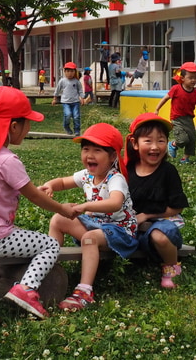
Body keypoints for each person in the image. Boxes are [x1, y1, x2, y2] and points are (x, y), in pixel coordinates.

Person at [0, 86, 79, 319]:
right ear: (14, 126)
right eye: (28, 123)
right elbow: (32, 195)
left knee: (17, 236)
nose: (29, 128)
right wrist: (63, 209)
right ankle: (26, 290)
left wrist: (38, 190)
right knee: (49, 245)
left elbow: (27, 189)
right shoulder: (7, 160)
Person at [41, 123, 138, 311]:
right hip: (97, 224)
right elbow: (62, 182)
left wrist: (85, 206)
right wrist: (50, 185)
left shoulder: (115, 178)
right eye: (86, 149)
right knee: (58, 219)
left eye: (97, 150)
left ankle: (85, 291)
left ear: (112, 156)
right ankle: (48, 268)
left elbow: (115, 203)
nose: (90, 155)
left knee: (89, 238)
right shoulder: (86, 175)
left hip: (120, 232)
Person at [124, 113, 189, 289]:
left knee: (159, 236)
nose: (155, 147)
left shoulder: (168, 171)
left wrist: (146, 215)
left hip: (163, 222)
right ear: (134, 144)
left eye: (161, 141)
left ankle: (171, 268)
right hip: (134, 225)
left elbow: (177, 208)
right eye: (148, 141)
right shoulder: (126, 171)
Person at [154, 61, 196, 164]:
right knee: (183, 139)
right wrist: (157, 109)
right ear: (182, 78)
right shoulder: (176, 89)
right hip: (177, 118)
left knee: (192, 140)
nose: (193, 80)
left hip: (188, 119)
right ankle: (173, 144)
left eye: (195, 78)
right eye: (190, 77)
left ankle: (185, 158)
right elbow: (165, 98)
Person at [52, 61, 84, 136]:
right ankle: (66, 127)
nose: (70, 73)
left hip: (75, 102)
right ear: (64, 72)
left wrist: (82, 98)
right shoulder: (62, 81)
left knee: (76, 116)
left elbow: (80, 90)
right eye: (68, 71)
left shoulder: (76, 82)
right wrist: (54, 98)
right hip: (66, 102)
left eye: (72, 71)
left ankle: (77, 130)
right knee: (68, 114)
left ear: (74, 72)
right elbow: (57, 90)